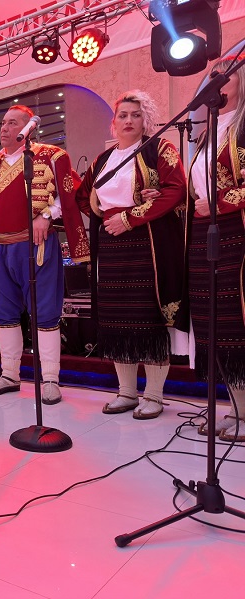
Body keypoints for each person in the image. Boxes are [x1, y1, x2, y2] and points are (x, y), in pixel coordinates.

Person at [76, 91, 188, 419]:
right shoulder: (102, 160)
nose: (128, 120)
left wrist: (131, 216)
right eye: (122, 115)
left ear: (145, 119)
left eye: (135, 115)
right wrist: (100, 212)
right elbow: (84, 197)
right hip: (111, 245)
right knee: (116, 319)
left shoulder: (159, 149)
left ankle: (152, 396)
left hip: (148, 243)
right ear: (113, 123)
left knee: (148, 319)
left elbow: (176, 188)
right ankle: (126, 392)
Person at [0, 105, 89, 404]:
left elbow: (70, 194)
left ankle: (51, 378)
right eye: (2, 123)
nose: (4, 128)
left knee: (45, 312)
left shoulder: (53, 156)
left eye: (12, 123)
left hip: (37, 245)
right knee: (3, 313)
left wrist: (47, 215)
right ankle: (9, 374)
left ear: (29, 128)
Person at [188, 55, 245, 441]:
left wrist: (221, 202)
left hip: (237, 230)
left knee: (236, 319)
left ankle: (244, 411)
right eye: (212, 75)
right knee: (214, 322)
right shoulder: (207, 129)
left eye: (227, 74)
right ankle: (231, 405)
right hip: (206, 233)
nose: (218, 80)